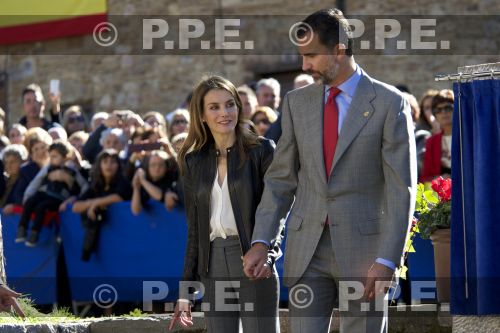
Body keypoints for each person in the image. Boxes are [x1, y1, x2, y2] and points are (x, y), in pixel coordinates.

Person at [243, 9, 416, 333]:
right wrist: (262, 241)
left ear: (338, 49)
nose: (305, 65)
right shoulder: (296, 103)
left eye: (311, 55)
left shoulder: (391, 103)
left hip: (366, 255)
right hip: (306, 250)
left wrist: (389, 259)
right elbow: (281, 180)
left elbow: (400, 188)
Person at [169, 75, 281, 333]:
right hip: (212, 265)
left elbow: (276, 211)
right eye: (214, 107)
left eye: (230, 104)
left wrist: (268, 253)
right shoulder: (192, 161)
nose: (225, 113)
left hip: (252, 260)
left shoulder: (262, 151)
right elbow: (195, 230)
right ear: (201, 114)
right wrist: (186, 290)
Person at [16, 140, 88, 246]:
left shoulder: (72, 170)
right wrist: (27, 196)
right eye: (51, 156)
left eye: (55, 156)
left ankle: (34, 233)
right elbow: (36, 181)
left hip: (58, 198)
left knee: (41, 207)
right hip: (44, 193)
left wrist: (75, 197)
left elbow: (84, 186)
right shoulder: (48, 168)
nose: (52, 159)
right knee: (30, 202)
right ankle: (22, 228)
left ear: (65, 157)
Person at [72, 149, 132, 261]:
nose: (109, 165)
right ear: (99, 165)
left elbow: (119, 197)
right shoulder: (96, 184)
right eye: (105, 162)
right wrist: (91, 204)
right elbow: (76, 207)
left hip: (124, 238)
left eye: (113, 162)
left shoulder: (123, 182)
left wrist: (96, 203)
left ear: (118, 165)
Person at [420, 89, 454, 182]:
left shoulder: (468, 137)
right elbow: (425, 178)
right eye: (438, 110)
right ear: (435, 114)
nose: (443, 112)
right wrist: (440, 179)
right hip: (443, 193)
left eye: (448, 107)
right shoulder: (431, 142)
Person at [131, 150, 178, 215]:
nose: (157, 168)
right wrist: (136, 187)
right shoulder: (145, 181)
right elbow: (136, 210)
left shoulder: (172, 180)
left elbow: (160, 196)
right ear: (147, 168)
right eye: (153, 165)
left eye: (161, 165)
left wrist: (143, 181)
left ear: (166, 167)